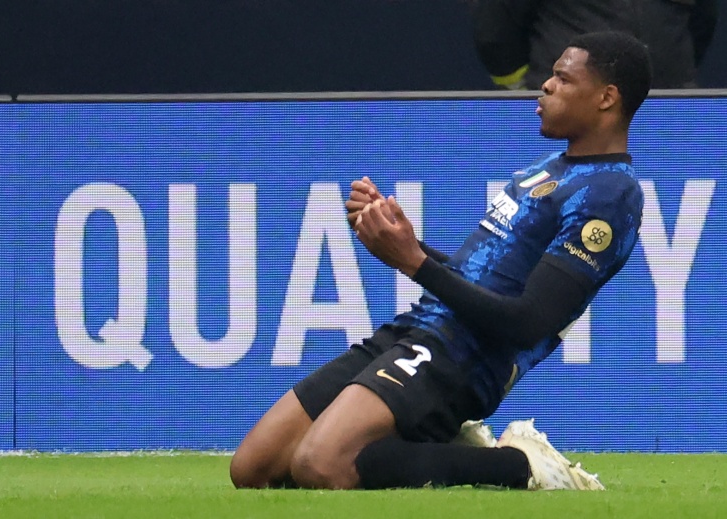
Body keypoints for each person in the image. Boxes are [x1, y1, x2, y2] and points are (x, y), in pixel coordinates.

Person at [229, 30, 652, 491]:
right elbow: (482, 277)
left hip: (465, 358)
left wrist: (414, 262)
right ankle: (440, 445)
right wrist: (400, 239)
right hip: (421, 327)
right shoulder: (550, 167)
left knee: (322, 464)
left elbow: (529, 322)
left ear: (607, 98)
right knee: (253, 468)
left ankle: (520, 466)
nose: (546, 86)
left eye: (564, 79)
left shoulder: (611, 194)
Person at [471, 0, 717, 90]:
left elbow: (703, 22)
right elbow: (494, 32)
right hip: (573, 118)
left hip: (669, 112)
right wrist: (531, 91)